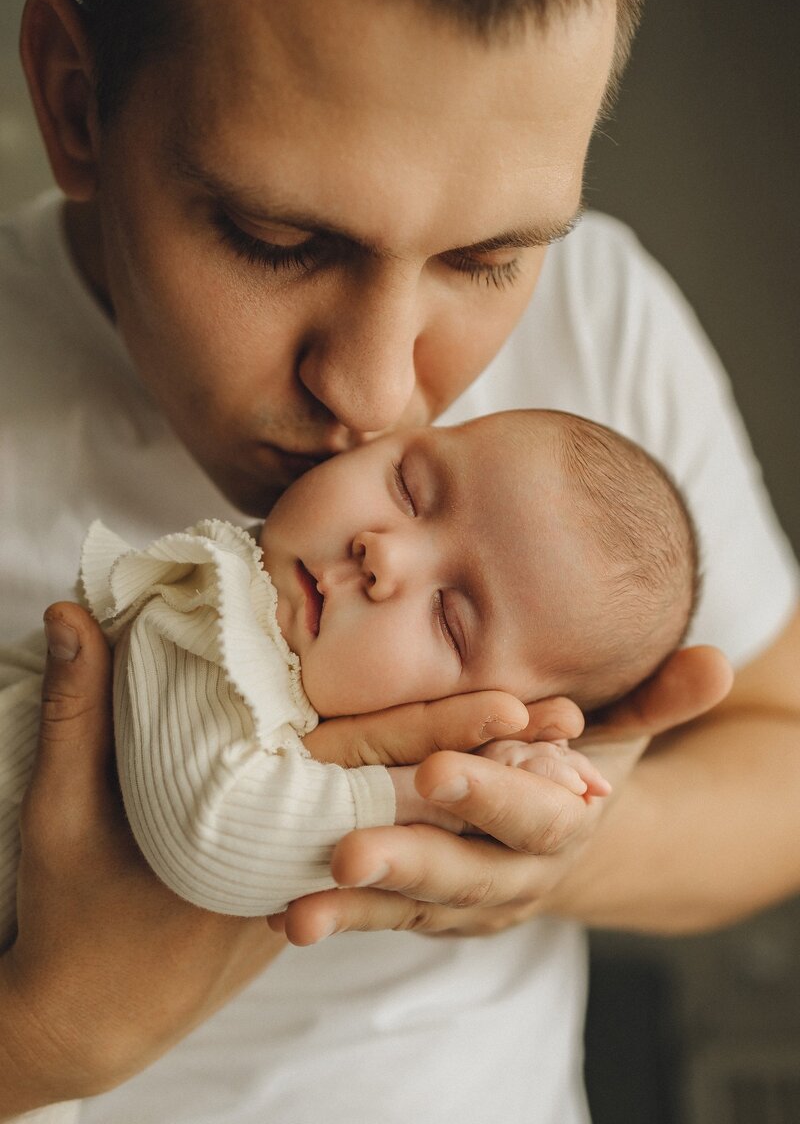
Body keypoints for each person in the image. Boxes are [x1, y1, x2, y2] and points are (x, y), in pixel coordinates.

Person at [0, 0, 797, 1122]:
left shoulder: (602, 314)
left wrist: (554, 849)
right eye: (279, 241)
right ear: (76, 104)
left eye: (487, 259)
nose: (374, 395)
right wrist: (48, 1039)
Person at [2, 408, 697, 954]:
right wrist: (436, 807)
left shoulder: (312, 676)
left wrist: (502, 777)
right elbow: (208, 837)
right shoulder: (212, 610)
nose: (383, 552)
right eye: (409, 487)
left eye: (449, 620)